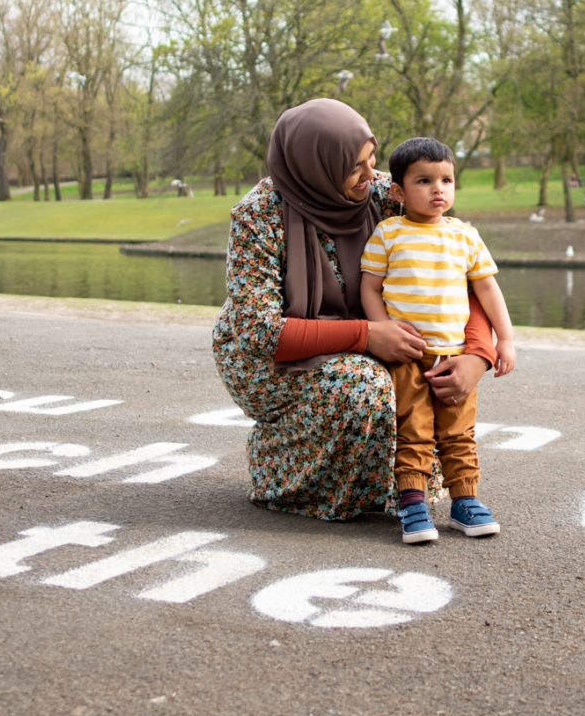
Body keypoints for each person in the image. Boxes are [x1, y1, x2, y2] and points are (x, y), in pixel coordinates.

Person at [210, 100, 497, 520]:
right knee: (364, 386)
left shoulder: (387, 195)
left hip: (380, 338)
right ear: (317, 165)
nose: (370, 176)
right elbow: (260, 331)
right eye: (354, 166)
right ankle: (283, 474)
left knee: (437, 367)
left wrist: (477, 355)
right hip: (271, 359)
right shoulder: (259, 215)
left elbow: (455, 273)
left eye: (372, 161)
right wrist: (366, 335)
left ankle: (384, 488)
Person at [359, 136, 516, 544]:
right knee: (413, 430)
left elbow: (487, 291)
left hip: (454, 353)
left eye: (446, 180)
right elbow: (370, 289)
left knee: (459, 431)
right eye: (425, 181)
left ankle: (465, 501)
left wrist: (506, 340)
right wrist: (382, 329)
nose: (438, 190)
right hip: (408, 355)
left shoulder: (465, 237)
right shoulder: (388, 234)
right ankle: (412, 502)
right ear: (398, 190)